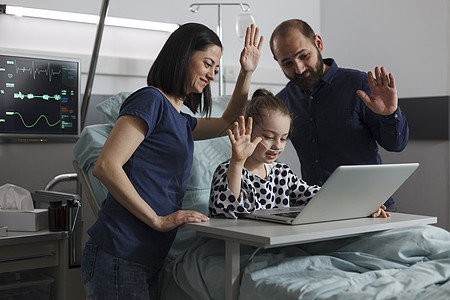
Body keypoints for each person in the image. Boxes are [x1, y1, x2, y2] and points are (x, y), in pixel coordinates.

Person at [80, 23, 263, 299]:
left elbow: (227, 122)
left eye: (215, 68)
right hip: (120, 253)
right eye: (207, 64)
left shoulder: (180, 119)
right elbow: (106, 166)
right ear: (183, 55)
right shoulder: (150, 100)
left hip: (147, 257)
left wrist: (246, 71)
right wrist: (158, 220)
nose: (212, 75)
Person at [269, 19, 409, 209]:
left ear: (318, 43)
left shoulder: (359, 85)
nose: (299, 68)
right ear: (277, 61)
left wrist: (390, 114)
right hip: (317, 210)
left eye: (303, 56)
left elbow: (396, 145)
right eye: (287, 63)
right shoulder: (283, 102)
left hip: (372, 209)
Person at [209, 89, 390, 219]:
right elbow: (226, 211)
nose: (277, 146)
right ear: (247, 131)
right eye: (269, 136)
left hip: (277, 245)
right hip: (241, 248)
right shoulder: (227, 170)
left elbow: (317, 196)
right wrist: (237, 162)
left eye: (283, 138)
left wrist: (363, 205)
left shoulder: (282, 174)